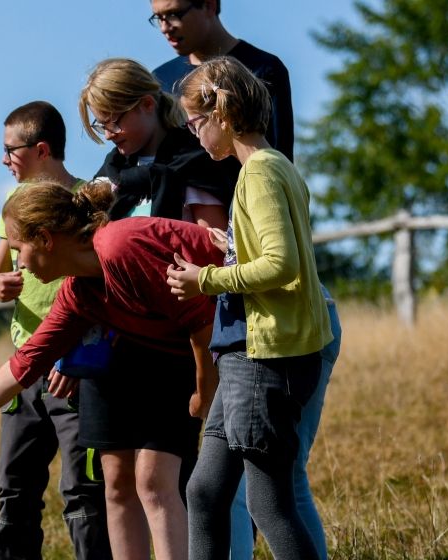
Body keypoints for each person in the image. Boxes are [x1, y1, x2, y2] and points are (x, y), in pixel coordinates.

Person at [0, 183, 222, 560]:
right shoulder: (80, 293)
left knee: (154, 480)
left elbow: (202, 325)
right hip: (177, 355)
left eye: (18, 251)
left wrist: (204, 394)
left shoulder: (119, 246)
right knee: (131, 481)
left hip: (234, 341)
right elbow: (25, 362)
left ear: (45, 238)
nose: (19, 265)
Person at [147, 3, 320, 557]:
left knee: (268, 502)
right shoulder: (263, 171)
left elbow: (281, 266)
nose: (194, 136)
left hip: (264, 354)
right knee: (204, 489)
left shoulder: (262, 173)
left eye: (196, 123)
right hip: (242, 352)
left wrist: (208, 280)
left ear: (221, 112)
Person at [0, 101, 110, 560]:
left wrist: (77, 360)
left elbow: (105, 287)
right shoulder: (13, 207)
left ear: (42, 149)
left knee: (83, 494)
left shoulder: (88, 202)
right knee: (14, 492)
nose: (4, 160)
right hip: (23, 372)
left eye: (10, 149)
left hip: (74, 373)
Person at [79, 58, 235, 228]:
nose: (108, 135)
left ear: (147, 104)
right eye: (102, 126)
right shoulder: (112, 170)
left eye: (114, 122)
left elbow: (212, 246)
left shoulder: (196, 164)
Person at [147, 0, 294, 160]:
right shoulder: (160, 80)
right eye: (158, 17)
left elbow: (280, 156)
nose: (164, 28)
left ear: (209, 5)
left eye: (174, 14)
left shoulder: (264, 68)